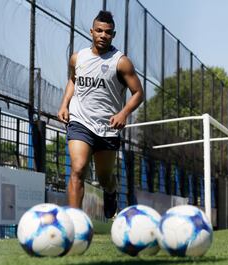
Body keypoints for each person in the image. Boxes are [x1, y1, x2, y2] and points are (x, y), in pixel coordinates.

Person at [57, 10, 143, 218]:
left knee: (105, 177)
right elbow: (73, 79)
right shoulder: (78, 58)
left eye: (108, 32)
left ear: (113, 35)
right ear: (91, 32)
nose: (103, 35)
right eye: (99, 31)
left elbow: (138, 93)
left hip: (107, 128)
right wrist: (64, 104)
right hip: (80, 122)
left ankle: (111, 192)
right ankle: (75, 224)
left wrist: (123, 113)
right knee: (77, 169)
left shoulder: (121, 62)